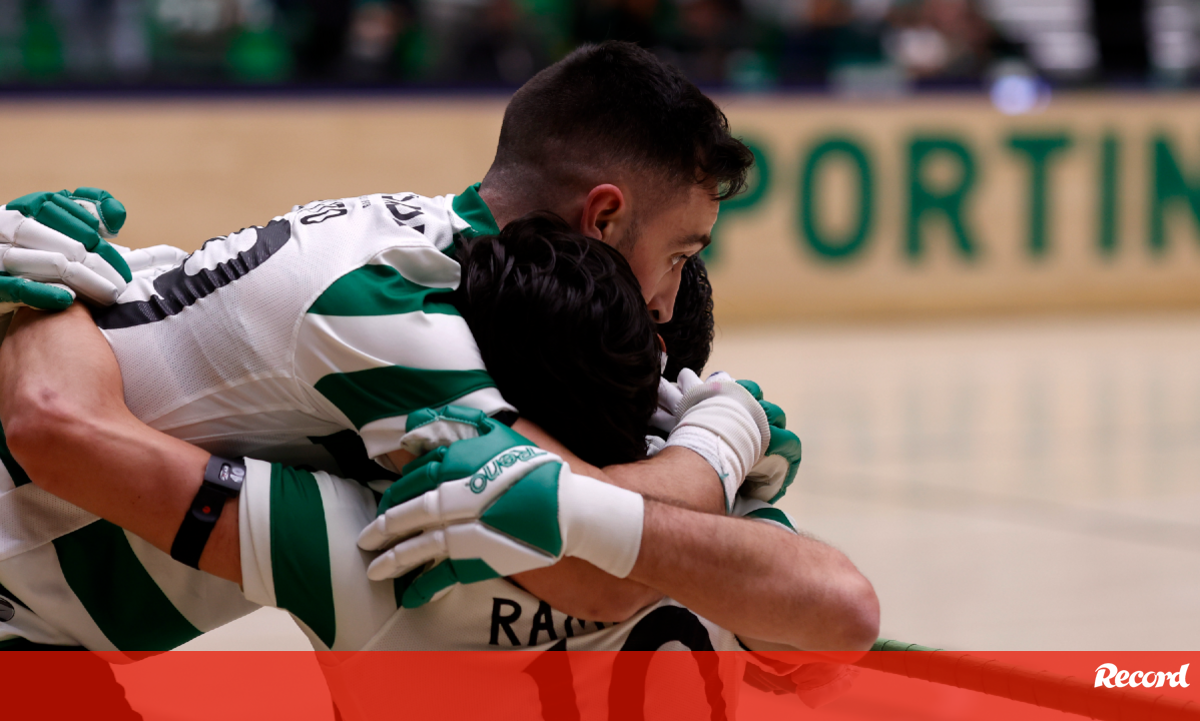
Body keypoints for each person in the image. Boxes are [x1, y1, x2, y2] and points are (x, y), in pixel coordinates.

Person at [0, 41, 875, 652]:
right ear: (604, 216)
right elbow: (586, 558)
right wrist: (721, 441)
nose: (669, 302)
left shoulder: (440, 264)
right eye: (679, 256)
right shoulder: (392, 309)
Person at [3, 214, 854, 718]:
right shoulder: (716, 547)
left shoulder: (384, 544)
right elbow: (841, 618)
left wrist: (51, 284)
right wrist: (713, 449)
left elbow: (67, 427)